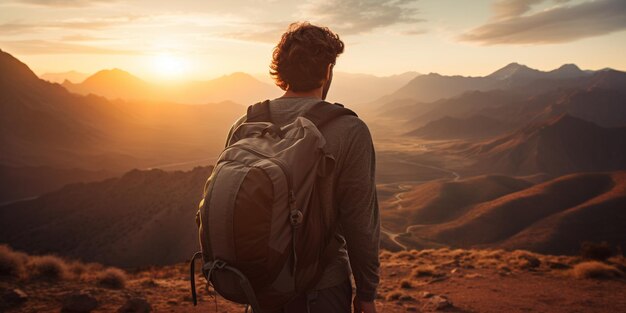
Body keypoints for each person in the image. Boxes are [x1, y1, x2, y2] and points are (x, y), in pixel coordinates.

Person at [224, 22, 380, 313]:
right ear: (328, 71)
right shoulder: (349, 129)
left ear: (280, 72)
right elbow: (360, 223)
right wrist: (367, 293)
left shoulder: (244, 124)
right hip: (321, 292)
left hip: (259, 288)